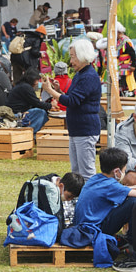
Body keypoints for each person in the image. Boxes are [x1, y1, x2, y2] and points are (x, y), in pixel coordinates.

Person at [73, 148, 136, 250]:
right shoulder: (111, 186)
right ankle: (133, 244)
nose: (124, 173)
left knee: (131, 200)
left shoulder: (95, 179)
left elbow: (114, 189)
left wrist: (129, 188)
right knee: (135, 203)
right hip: (94, 230)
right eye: (124, 170)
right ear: (117, 171)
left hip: (82, 227)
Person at [41, 38, 102, 179]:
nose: (71, 61)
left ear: (82, 56)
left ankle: (88, 193)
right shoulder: (80, 74)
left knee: (86, 173)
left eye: (73, 57)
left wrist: (50, 91)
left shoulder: (88, 76)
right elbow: (73, 98)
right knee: (76, 171)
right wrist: (59, 91)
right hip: (77, 129)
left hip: (85, 129)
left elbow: (73, 101)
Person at [7, 69, 52, 134]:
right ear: (33, 79)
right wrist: (51, 106)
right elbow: (37, 103)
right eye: (37, 80)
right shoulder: (26, 87)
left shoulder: (22, 85)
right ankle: (31, 132)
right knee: (41, 112)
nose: (38, 83)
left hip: (16, 112)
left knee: (40, 111)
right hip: (17, 114)